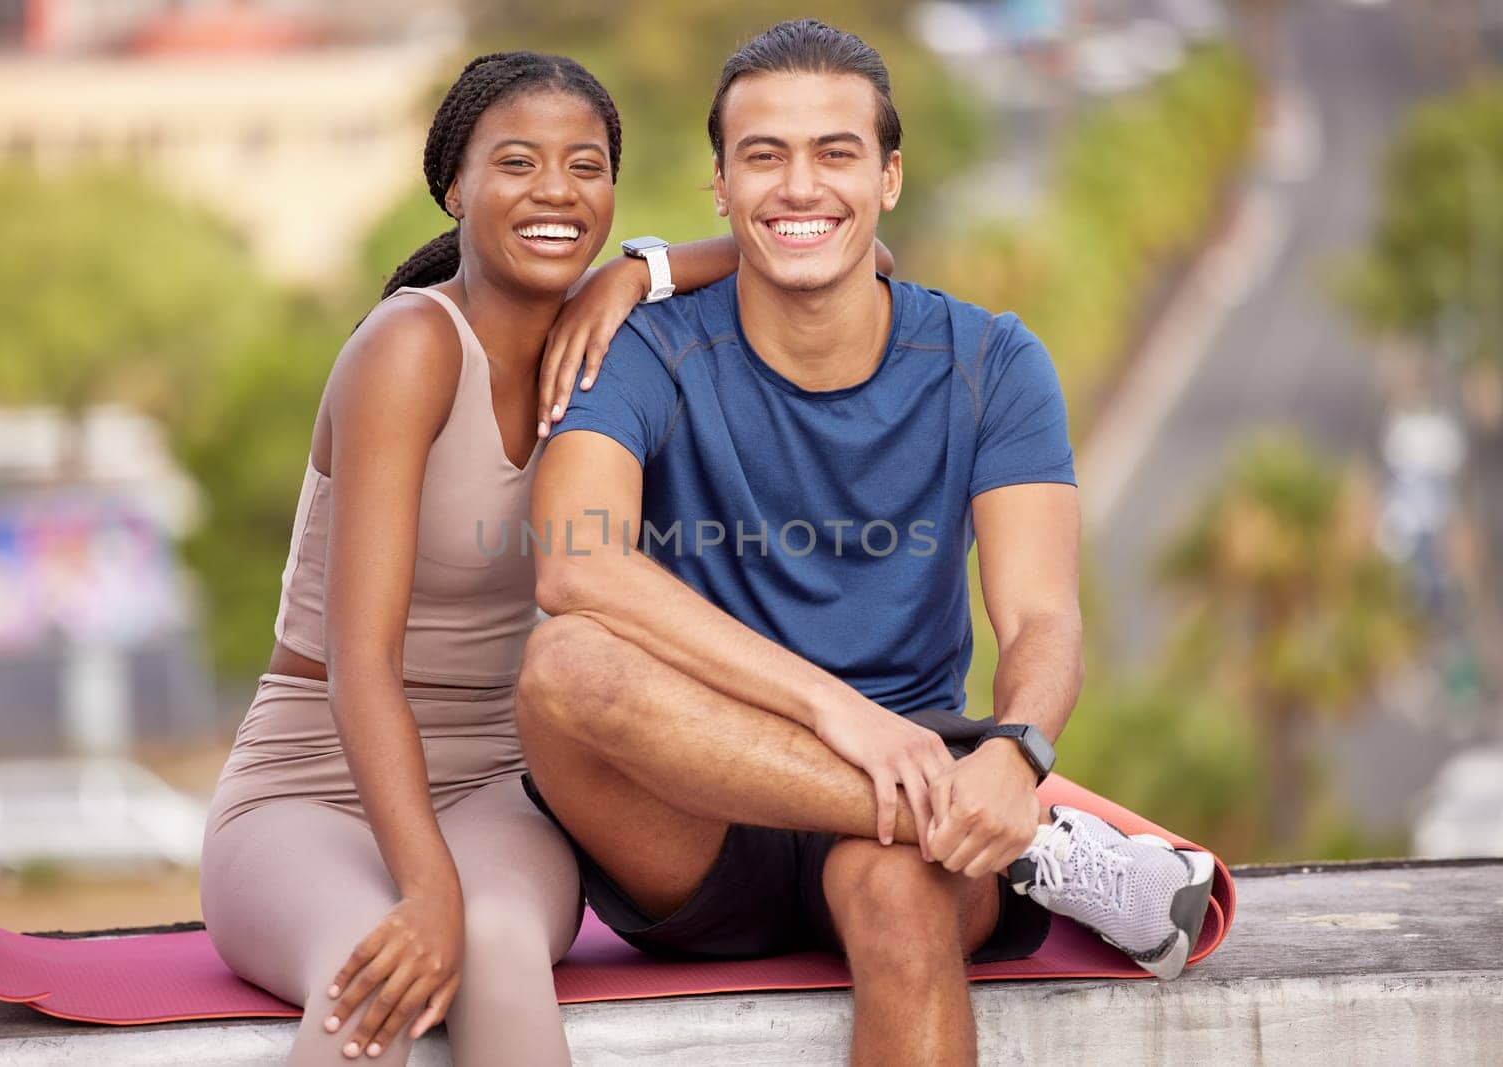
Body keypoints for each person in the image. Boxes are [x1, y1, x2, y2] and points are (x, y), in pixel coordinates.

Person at [516, 19, 1217, 1067]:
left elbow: (1038, 616)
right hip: (697, 811)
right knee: (562, 663)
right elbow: (576, 562)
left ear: (888, 176)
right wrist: (841, 715)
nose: (800, 187)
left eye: (834, 153)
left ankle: (979, 826)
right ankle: (1036, 848)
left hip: (910, 828)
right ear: (719, 185)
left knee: (899, 896)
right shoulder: (642, 352)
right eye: (764, 155)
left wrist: (1013, 749)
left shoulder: (991, 359)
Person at [197, 51, 813, 1066]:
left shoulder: (621, 350)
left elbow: (852, 265)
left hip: (498, 784)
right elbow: (360, 667)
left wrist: (641, 271)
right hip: (310, 782)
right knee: (376, 971)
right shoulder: (409, 345)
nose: (556, 192)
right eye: (518, 162)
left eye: (586, 166)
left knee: (498, 953)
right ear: (455, 186)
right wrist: (427, 883)